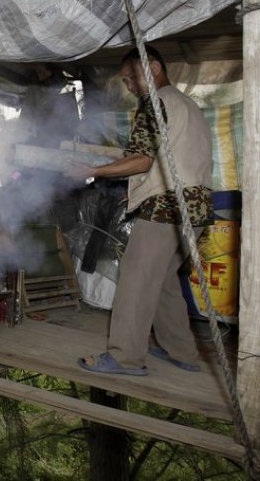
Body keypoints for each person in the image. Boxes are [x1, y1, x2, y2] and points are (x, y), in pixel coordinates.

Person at [74, 46, 213, 375]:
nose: (130, 86)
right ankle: (182, 352)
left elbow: (142, 159)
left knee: (135, 279)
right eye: (125, 81)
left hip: (168, 208)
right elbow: (172, 160)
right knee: (164, 281)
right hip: (195, 207)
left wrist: (92, 171)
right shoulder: (185, 103)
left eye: (131, 77)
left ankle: (125, 357)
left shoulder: (157, 103)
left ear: (152, 67)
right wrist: (137, 193)